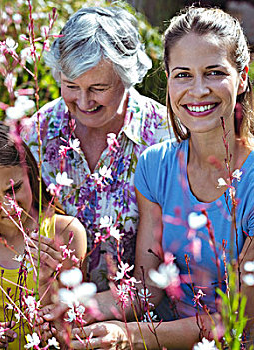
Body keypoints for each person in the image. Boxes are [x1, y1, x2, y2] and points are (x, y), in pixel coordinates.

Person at [69, 7, 254, 349]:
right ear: (167, 79)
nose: (198, 90)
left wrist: (131, 336)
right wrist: (72, 311)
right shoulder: (156, 166)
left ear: (241, 79)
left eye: (213, 72)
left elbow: (235, 320)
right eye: (183, 74)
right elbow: (148, 287)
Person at [22, 6, 171, 292]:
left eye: (98, 88)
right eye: (71, 86)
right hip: (53, 312)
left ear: (126, 79)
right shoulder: (36, 134)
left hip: (144, 317)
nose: (83, 101)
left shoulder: (164, 136)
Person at [0, 119, 87, 349]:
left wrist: (46, 283)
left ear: (30, 173)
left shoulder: (66, 232)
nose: (9, 206)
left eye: (15, 188)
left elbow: (73, 327)